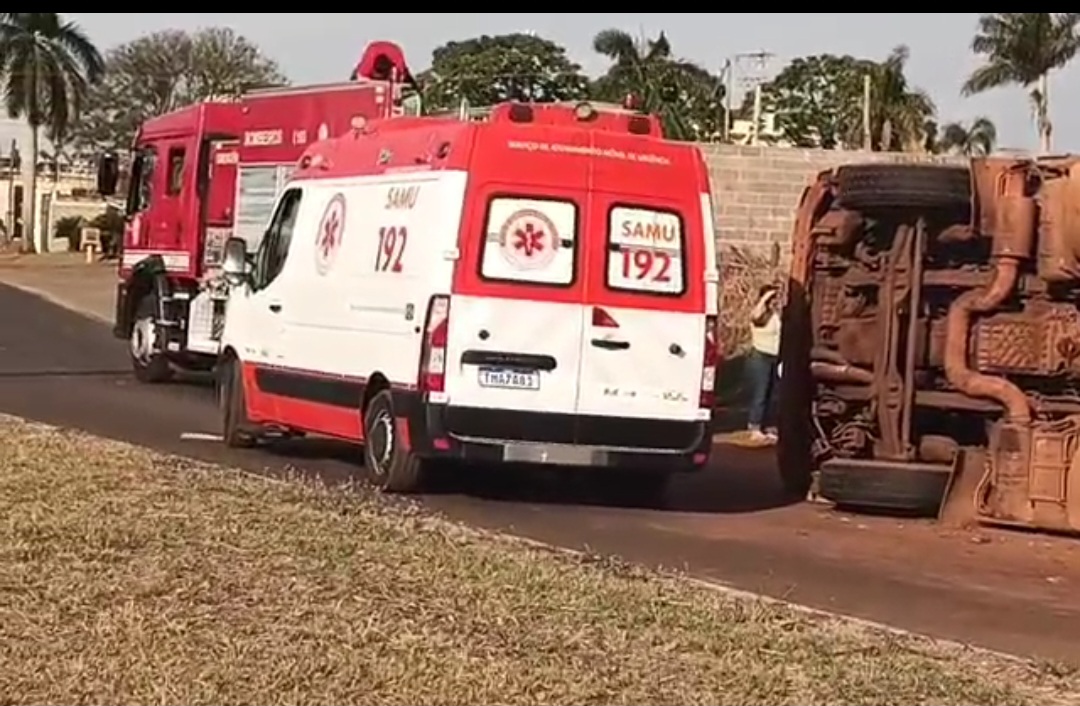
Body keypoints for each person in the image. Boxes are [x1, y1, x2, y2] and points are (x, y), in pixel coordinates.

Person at [746, 283, 781, 443]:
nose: (775, 301)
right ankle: (755, 426)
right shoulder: (759, 313)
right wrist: (766, 297)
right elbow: (755, 316)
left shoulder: (775, 315)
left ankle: (769, 426)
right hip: (761, 355)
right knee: (760, 392)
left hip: (775, 357)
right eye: (772, 298)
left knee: (773, 393)